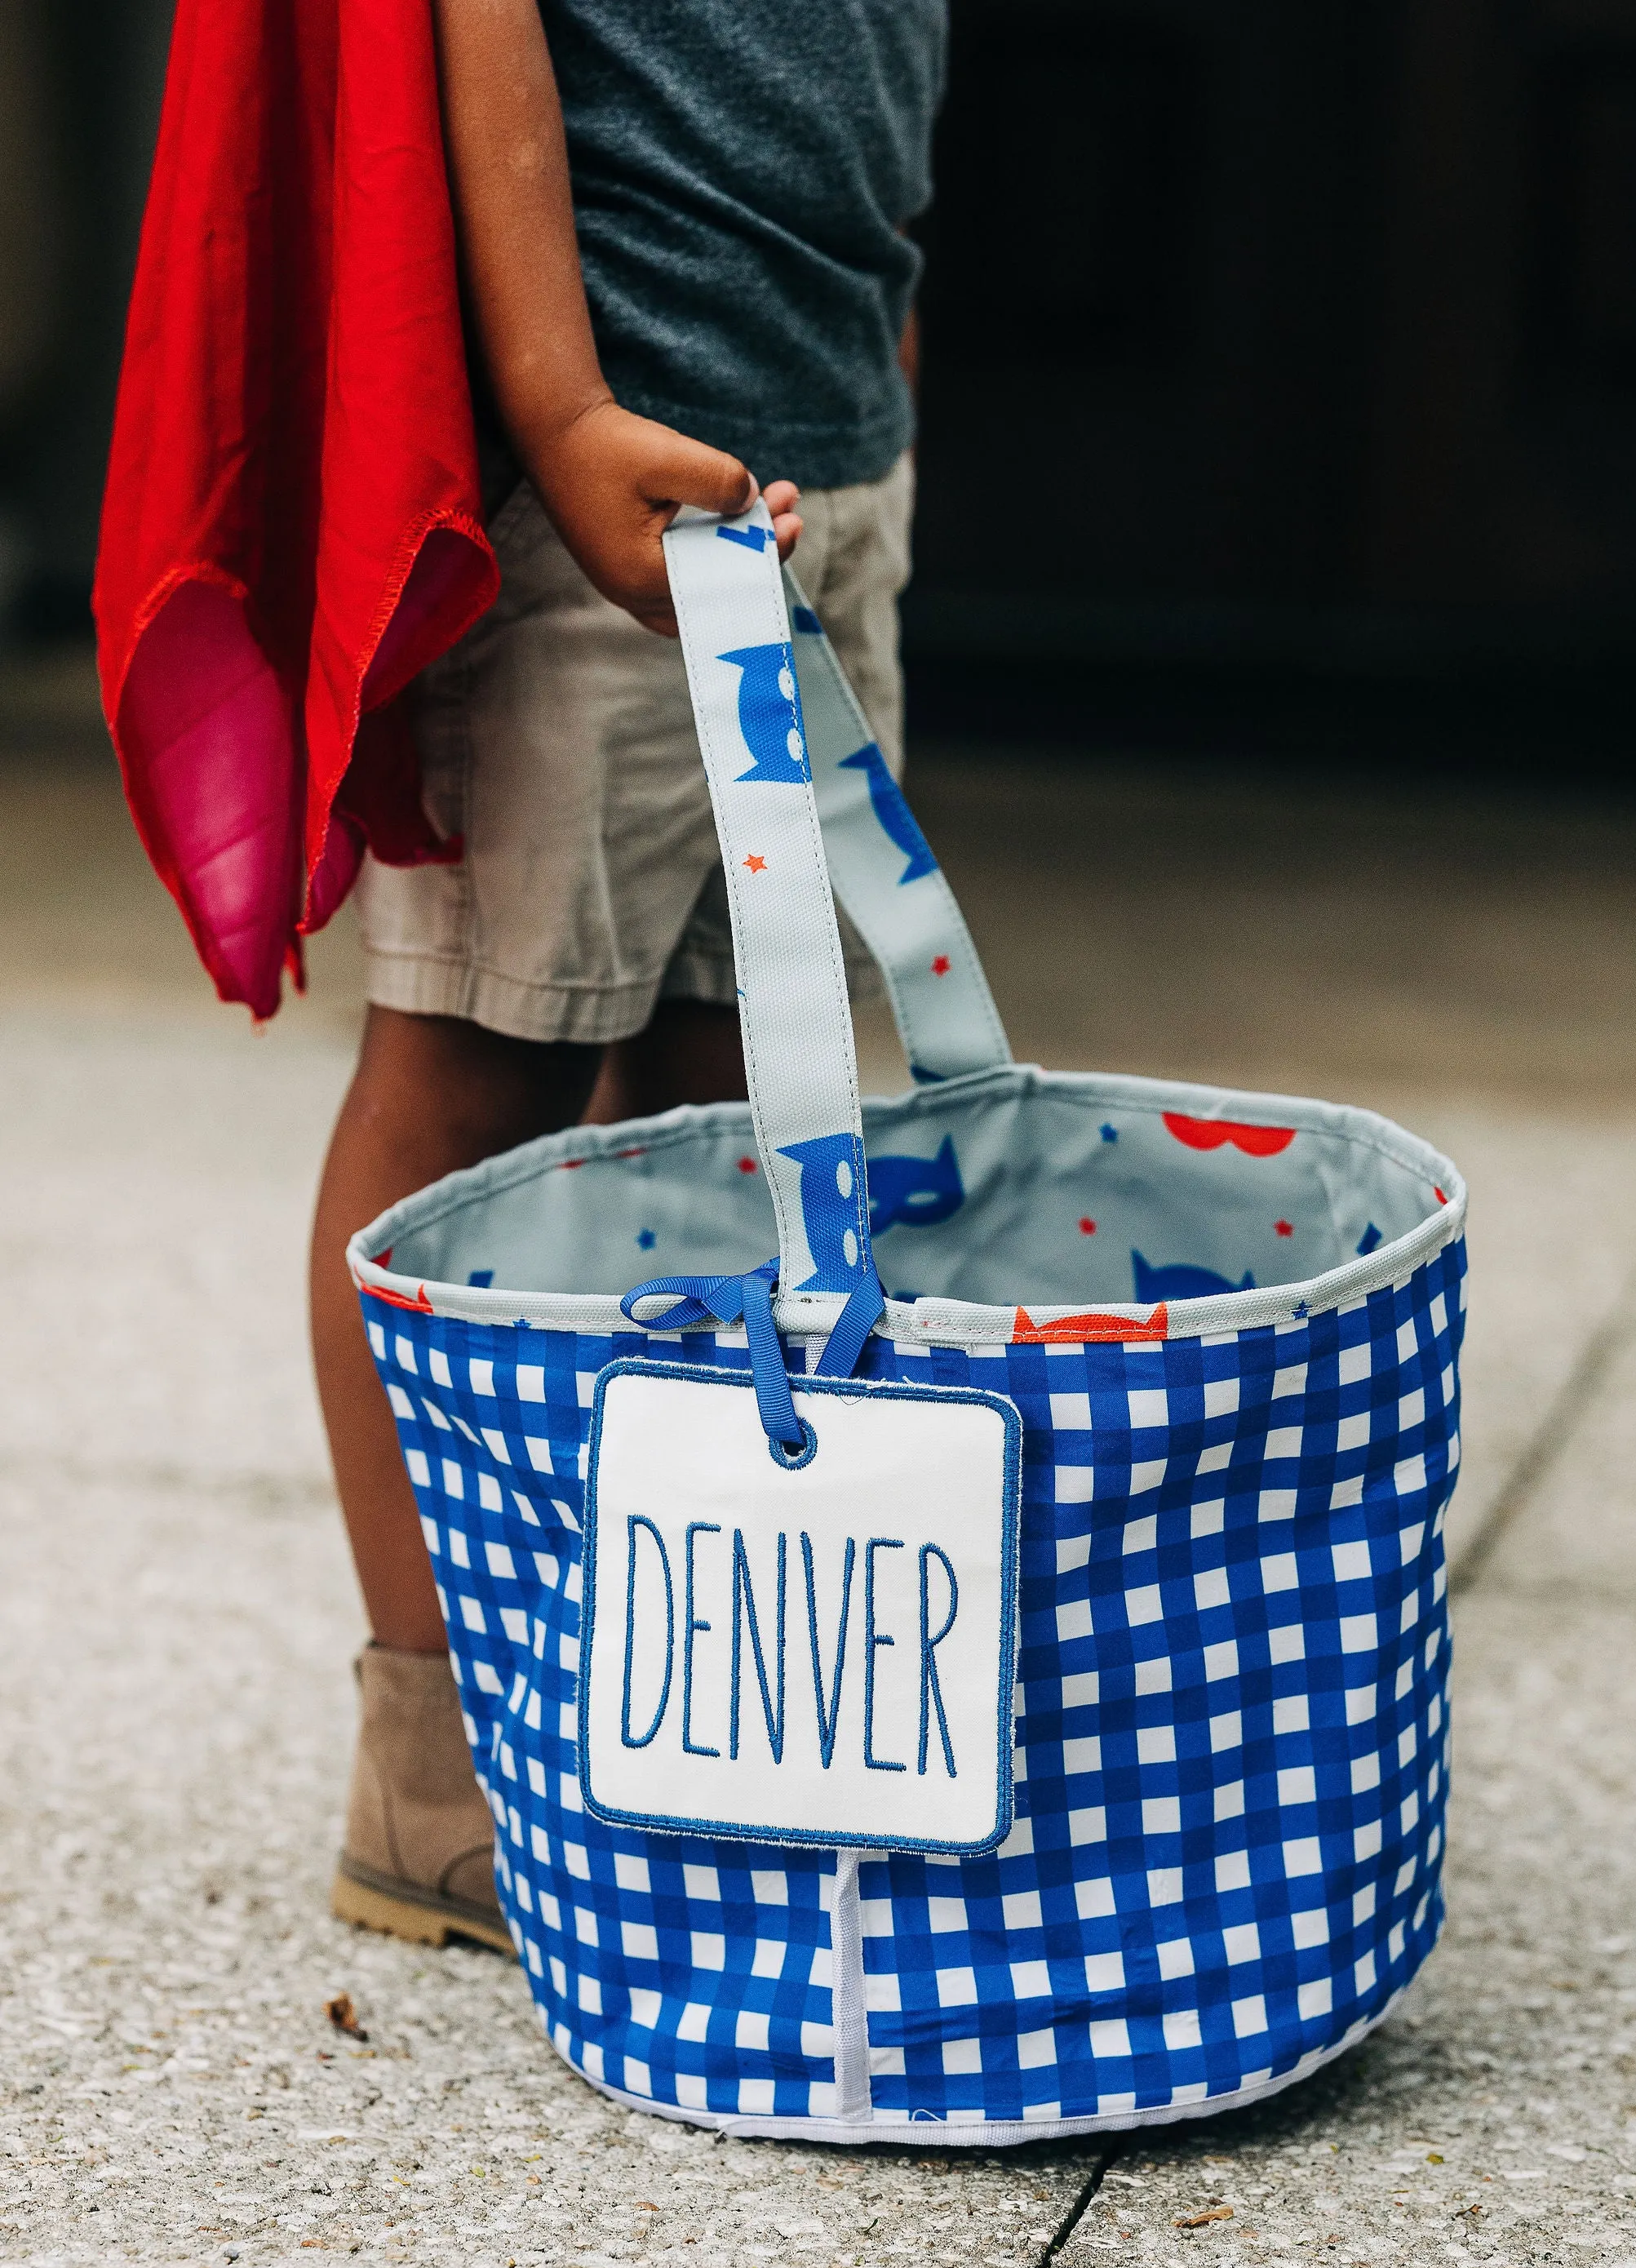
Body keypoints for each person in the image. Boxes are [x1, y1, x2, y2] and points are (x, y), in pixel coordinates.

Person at [316, 0, 947, 1953]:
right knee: (473, 1071)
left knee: (713, 1088)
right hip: (586, 484)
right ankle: (431, 1767)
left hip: (821, 460)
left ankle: (627, 1686)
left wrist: (875, 390)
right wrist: (561, 408)